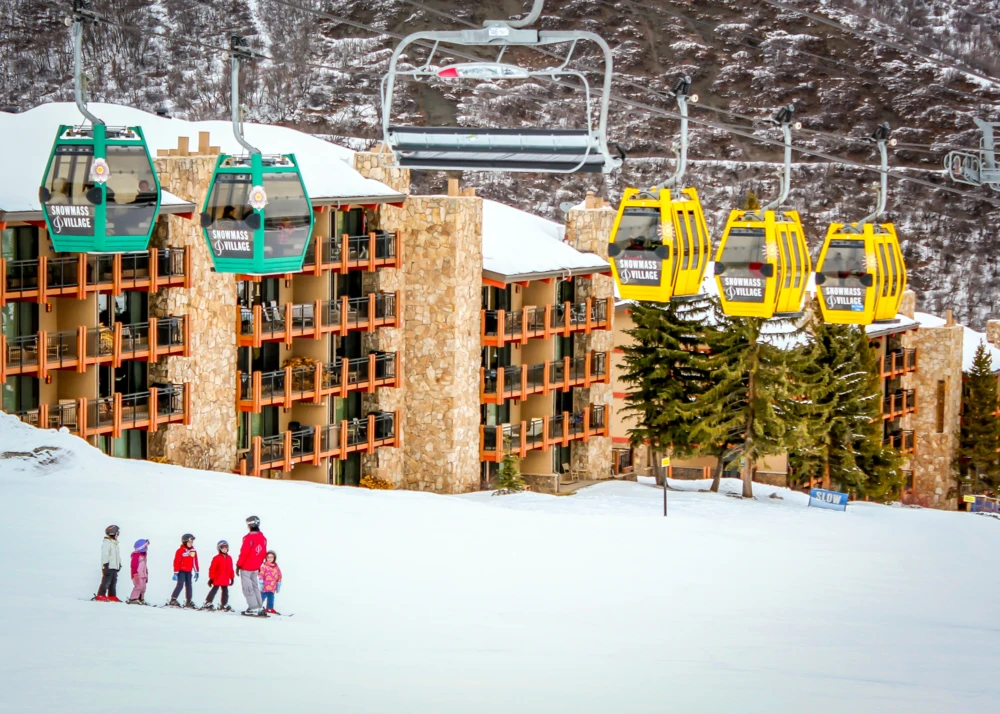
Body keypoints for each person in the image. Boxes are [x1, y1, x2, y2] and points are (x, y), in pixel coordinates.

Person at [236, 515, 268, 616]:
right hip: (256, 567)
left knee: (247, 587)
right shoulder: (263, 538)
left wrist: (239, 565)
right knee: (255, 586)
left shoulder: (248, 538)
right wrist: (259, 564)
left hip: (246, 566)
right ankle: (259, 605)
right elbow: (263, 553)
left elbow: (244, 553)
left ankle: (253, 607)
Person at [201, 540, 235, 611]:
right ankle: (208, 602)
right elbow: (212, 569)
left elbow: (231, 568)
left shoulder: (229, 558)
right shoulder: (216, 558)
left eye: (226, 547)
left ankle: (224, 604)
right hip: (218, 578)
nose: (225, 549)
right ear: (219, 548)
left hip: (225, 578)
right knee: (214, 590)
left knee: (225, 592)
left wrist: (232, 577)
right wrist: (211, 578)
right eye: (223, 547)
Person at [168, 534, 199, 608]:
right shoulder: (180, 551)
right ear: (185, 542)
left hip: (189, 571)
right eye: (189, 542)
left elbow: (195, 561)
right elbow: (176, 561)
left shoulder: (193, 551)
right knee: (180, 584)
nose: (191, 543)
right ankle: (173, 599)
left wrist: (196, 571)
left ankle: (188, 601)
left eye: (192, 542)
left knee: (189, 585)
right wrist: (176, 572)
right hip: (181, 571)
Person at [96, 525, 121, 602]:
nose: (118, 535)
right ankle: (101, 595)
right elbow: (105, 555)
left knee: (113, 582)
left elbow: (117, 556)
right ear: (113, 533)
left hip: (114, 567)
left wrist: (119, 564)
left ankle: (112, 596)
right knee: (106, 581)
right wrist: (105, 564)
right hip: (108, 566)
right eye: (117, 533)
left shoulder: (115, 543)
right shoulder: (107, 543)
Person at [127, 539, 149, 605]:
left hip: (143, 575)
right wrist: (135, 574)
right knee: (138, 586)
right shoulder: (136, 555)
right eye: (146, 546)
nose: (147, 548)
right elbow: (133, 565)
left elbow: (145, 566)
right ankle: (133, 598)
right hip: (137, 575)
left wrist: (146, 574)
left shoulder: (143, 555)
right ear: (142, 547)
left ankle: (140, 599)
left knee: (143, 588)